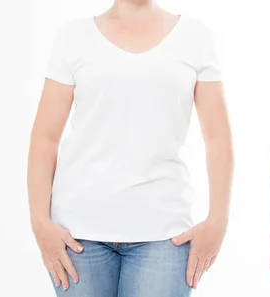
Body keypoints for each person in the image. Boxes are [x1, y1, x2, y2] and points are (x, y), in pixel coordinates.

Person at [27, 1, 233, 296]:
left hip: (165, 235)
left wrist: (218, 221)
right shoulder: (73, 37)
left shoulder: (195, 37)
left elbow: (218, 137)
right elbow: (45, 137)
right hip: (77, 237)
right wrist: (40, 223)